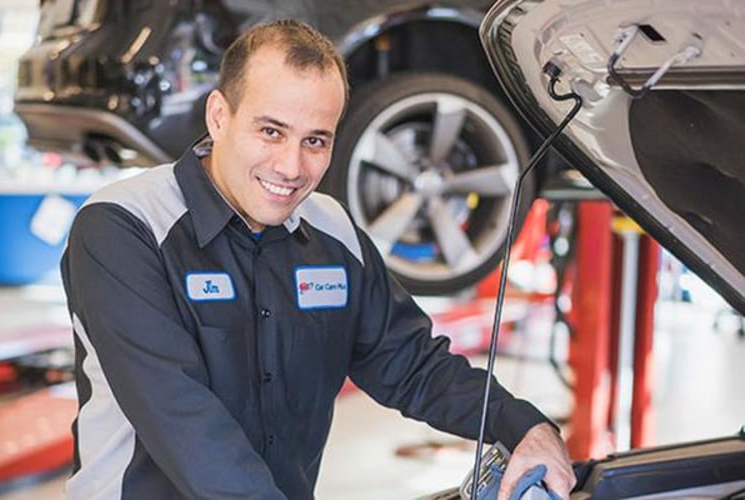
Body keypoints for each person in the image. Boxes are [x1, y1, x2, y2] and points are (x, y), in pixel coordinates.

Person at [61, 19, 575, 500]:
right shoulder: (125, 227)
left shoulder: (333, 232)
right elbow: (182, 419)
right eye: (271, 131)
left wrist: (522, 424)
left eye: (315, 141)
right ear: (219, 116)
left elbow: (411, 364)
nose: (291, 166)